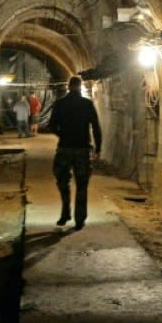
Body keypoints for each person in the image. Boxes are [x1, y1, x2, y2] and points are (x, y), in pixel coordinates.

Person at [49, 76, 102, 230]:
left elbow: (52, 125)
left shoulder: (60, 104)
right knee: (82, 184)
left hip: (64, 148)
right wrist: (98, 148)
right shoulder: (87, 104)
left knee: (62, 181)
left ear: (68, 86)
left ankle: (65, 213)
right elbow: (96, 127)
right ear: (80, 86)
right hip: (82, 149)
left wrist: (62, 135)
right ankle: (80, 219)